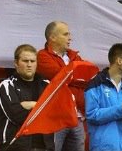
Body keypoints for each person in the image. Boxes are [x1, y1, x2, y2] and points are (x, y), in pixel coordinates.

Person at [37, 21, 87, 151]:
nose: (70, 38)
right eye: (65, 34)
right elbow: (61, 77)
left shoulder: (74, 56)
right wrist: (75, 77)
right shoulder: (42, 56)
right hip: (57, 118)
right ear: (52, 37)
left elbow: (86, 77)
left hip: (77, 117)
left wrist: (71, 77)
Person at [84, 43, 122, 151]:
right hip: (104, 147)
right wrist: (121, 110)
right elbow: (91, 115)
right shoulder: (95, 84)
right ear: (119, 61)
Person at [0, 44, 54, 151]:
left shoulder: (47, 85)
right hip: (15, 146)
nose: (29, 65)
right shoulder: (7, 85)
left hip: (45, 146)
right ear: (16, 63)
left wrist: (31, 105)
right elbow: (17, 115)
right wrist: (41, 108)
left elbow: (53, 113)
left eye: (33, 61)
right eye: (25, 61)